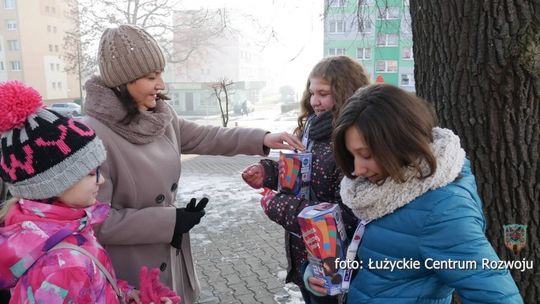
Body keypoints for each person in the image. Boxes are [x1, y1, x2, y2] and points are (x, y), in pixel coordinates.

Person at [81, 24, 303, 304]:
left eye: (160, 74)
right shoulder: (92, 134)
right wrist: (170, 220)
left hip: (168, 260)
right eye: (151, 77)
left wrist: (264, 138)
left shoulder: (161, 116)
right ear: (123, 81)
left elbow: (208, 137)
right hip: (130, 276)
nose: (161, 85)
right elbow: (95, 222)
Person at [306, 84, 523, 303]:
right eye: (353, 155)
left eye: (367, 155)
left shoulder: (442, 210)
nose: (358, 169)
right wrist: (325, 273)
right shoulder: (375, 190)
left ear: (401, 143)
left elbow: (498, 296)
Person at [0, 81, 179, 303]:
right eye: (90, 173)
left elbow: (89, 291)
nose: (101, 180)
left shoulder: (60, 231)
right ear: (54, 184)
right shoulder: (63, 268)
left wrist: (124, 294)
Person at [241, 55, 370, 304]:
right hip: (306, 254)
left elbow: (348, 213)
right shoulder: (310, 128)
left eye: (323, 93)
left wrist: (280, 206)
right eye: (312, 93)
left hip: (335, 264)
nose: (314, 101)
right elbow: (300, 174)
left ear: (346, 92)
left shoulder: (352, 141)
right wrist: (267, 172)